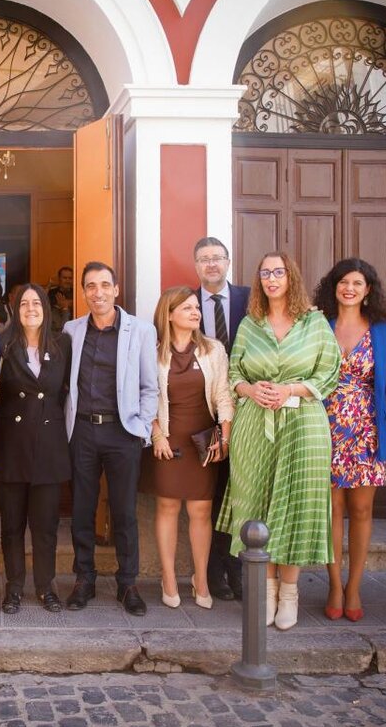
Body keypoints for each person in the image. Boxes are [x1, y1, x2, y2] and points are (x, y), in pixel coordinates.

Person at [218, 253, 340, 631]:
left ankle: (289, 592)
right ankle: (266, 591)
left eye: (278, 272)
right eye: (265, 273)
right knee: (258, 502)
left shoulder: (314, 322)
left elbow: (329, 372)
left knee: (296, 504)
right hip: (255, 424)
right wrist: (250, 390)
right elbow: (234, 372)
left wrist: (290, 389)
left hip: (303, 423)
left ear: (291, 277)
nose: (271, 279)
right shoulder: (250, 324)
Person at [63, 261, 158, 616]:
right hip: (82, 431)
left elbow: (150, 386)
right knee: (82, 509)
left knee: (124, 511)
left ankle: (127, 583)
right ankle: (84, 579)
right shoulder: (71, 330)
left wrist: (142, 427)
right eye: (91, 286)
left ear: (116, 290)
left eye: (105, 285)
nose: (98, 292)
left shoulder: (141, 331)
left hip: (122, 431)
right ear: (83, 292)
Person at [312, 258, 386, 623]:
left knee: (362, 510)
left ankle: (355, 587)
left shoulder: (384, 328)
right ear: (334, 287)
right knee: (332, 509)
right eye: (343, 282)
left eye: (357, 283)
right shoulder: (318, 323)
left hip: (367, 427)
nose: (349, 288)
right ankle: (335, 585)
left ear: (368, 291)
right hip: (325, 425)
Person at [141, 287, 233, 611]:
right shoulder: (152, 352)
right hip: (167, 440)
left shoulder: (213, 349)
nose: (196, 312)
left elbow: (224, 395)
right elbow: (145, 396)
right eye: (187, 308)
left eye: (196, 308)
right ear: (169, 315)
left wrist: (224, 438)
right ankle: (167, 578)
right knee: (167, 507)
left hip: (202, 441)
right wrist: (157, 435)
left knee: (201, 511)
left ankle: (201, 579)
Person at [0, 284, 72, 614]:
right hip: (11, 444)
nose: (31, 308)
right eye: (24, 303)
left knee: (45, 525)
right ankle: (14, 587)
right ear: (16, 309)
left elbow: (67, 392)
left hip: (49, 446)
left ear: (46, 308)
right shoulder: (2, 345)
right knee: (11, 525)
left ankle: (45, 586)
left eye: (36, 303)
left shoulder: (63, 344)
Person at [193, 237, 251, 600]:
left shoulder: (250, 299)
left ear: (228, 262)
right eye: (204, 259)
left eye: (217, 258)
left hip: (246, 411)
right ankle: (213, 571)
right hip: (201, 413)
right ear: (196, 266)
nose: (211, 264)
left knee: (240, 491)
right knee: (209, 495)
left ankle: (237, 568)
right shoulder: (185, 301)